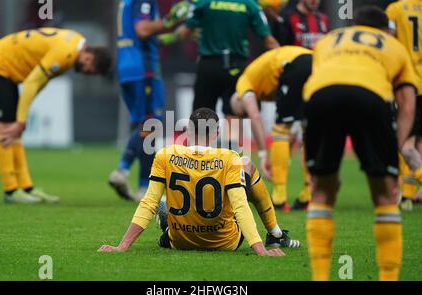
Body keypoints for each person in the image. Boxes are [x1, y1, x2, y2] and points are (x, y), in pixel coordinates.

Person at [303, 6, 416, 281]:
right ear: (385, 30)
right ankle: (388, 277)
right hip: (369, 96)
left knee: (322, 192)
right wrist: (396, 148)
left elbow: (321, 81)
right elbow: (407, 103)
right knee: (385, 195)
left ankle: (320, 277)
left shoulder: (329, 39)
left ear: (354, 25)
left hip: (321, 98)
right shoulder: (394, 45)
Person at [99, 108, 299, 254]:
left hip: (179, 241)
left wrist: (122, 246)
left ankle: (167, 219)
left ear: (187, 132)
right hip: (224, 242)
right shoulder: (230, 157)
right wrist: (260, 251)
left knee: (160, 201)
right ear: (217, 133)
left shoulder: (165, 155)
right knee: (247, 165)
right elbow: (241, 206)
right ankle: (275, 233)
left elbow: (147, 202)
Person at [0, 28, 112, 204]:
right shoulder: (66, 54)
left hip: (8, 71)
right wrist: (22, 120)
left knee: (14, 131)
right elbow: (32, 82)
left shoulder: (76, 42)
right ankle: (11, 191)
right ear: (89, 57)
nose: (86, 73)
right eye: (90, 70)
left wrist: (21, 119)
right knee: (5, 129)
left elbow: (40, 81)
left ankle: (26, 188)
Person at [108, 0, 190, 202]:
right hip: (143, 69)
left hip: (128, 68)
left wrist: (172, 36)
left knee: (143, 125)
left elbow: (142, 36)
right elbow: (143, 30)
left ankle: (129, 175)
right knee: (152, 125)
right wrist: (171, 19)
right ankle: (135, 179)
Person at [170, 0, 279, 149]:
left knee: (202, 117)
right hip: (236, 67)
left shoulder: (204, 3)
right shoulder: (249, 5)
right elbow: (269, 41)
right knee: (233, 115)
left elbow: (184, 35)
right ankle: (230, 162)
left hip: (209, 66)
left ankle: (199, 163)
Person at [231, 45, 312, 211]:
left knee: (280, 130)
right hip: (315, 62)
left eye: (242, 113)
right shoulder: (266, 86)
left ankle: (279, 197)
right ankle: (308, 193)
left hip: (295, 64)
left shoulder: (243, 84)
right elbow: (291, 111)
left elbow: (254, 115)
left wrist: (262, 155)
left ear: (238, 100)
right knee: (307, 130)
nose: (245, 115)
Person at [387, 0, 422, 211]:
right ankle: (409, 195)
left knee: (405, 145)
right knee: (418, 144)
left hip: (409, 84)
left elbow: (387, 39)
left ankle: (407, 193)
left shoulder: (396, 9)